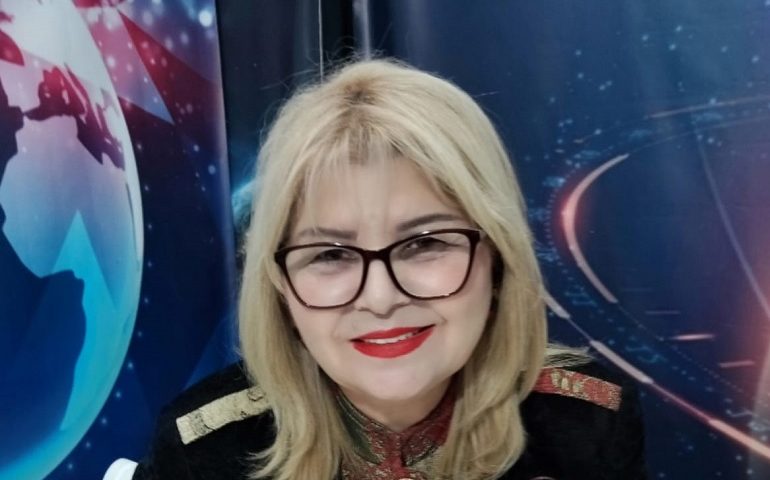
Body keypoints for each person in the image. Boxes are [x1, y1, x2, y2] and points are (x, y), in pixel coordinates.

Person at [132, 59, 647, 479]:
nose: (379, 298)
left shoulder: (587, 420)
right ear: (280, 288)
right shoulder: (203, 451)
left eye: (424, 244)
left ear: (498, 261)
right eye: (330, 254)